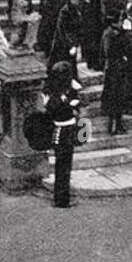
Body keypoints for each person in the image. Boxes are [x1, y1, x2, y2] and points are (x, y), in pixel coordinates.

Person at [45, 62, 82, 209]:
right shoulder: (54, 93)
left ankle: (63, 197)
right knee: (62, 167)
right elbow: (52, 109)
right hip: (61, 130)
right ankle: (60, 199)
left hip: (69, 129)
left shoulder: (66, 89)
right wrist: (69, 105)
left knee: (66, 166)